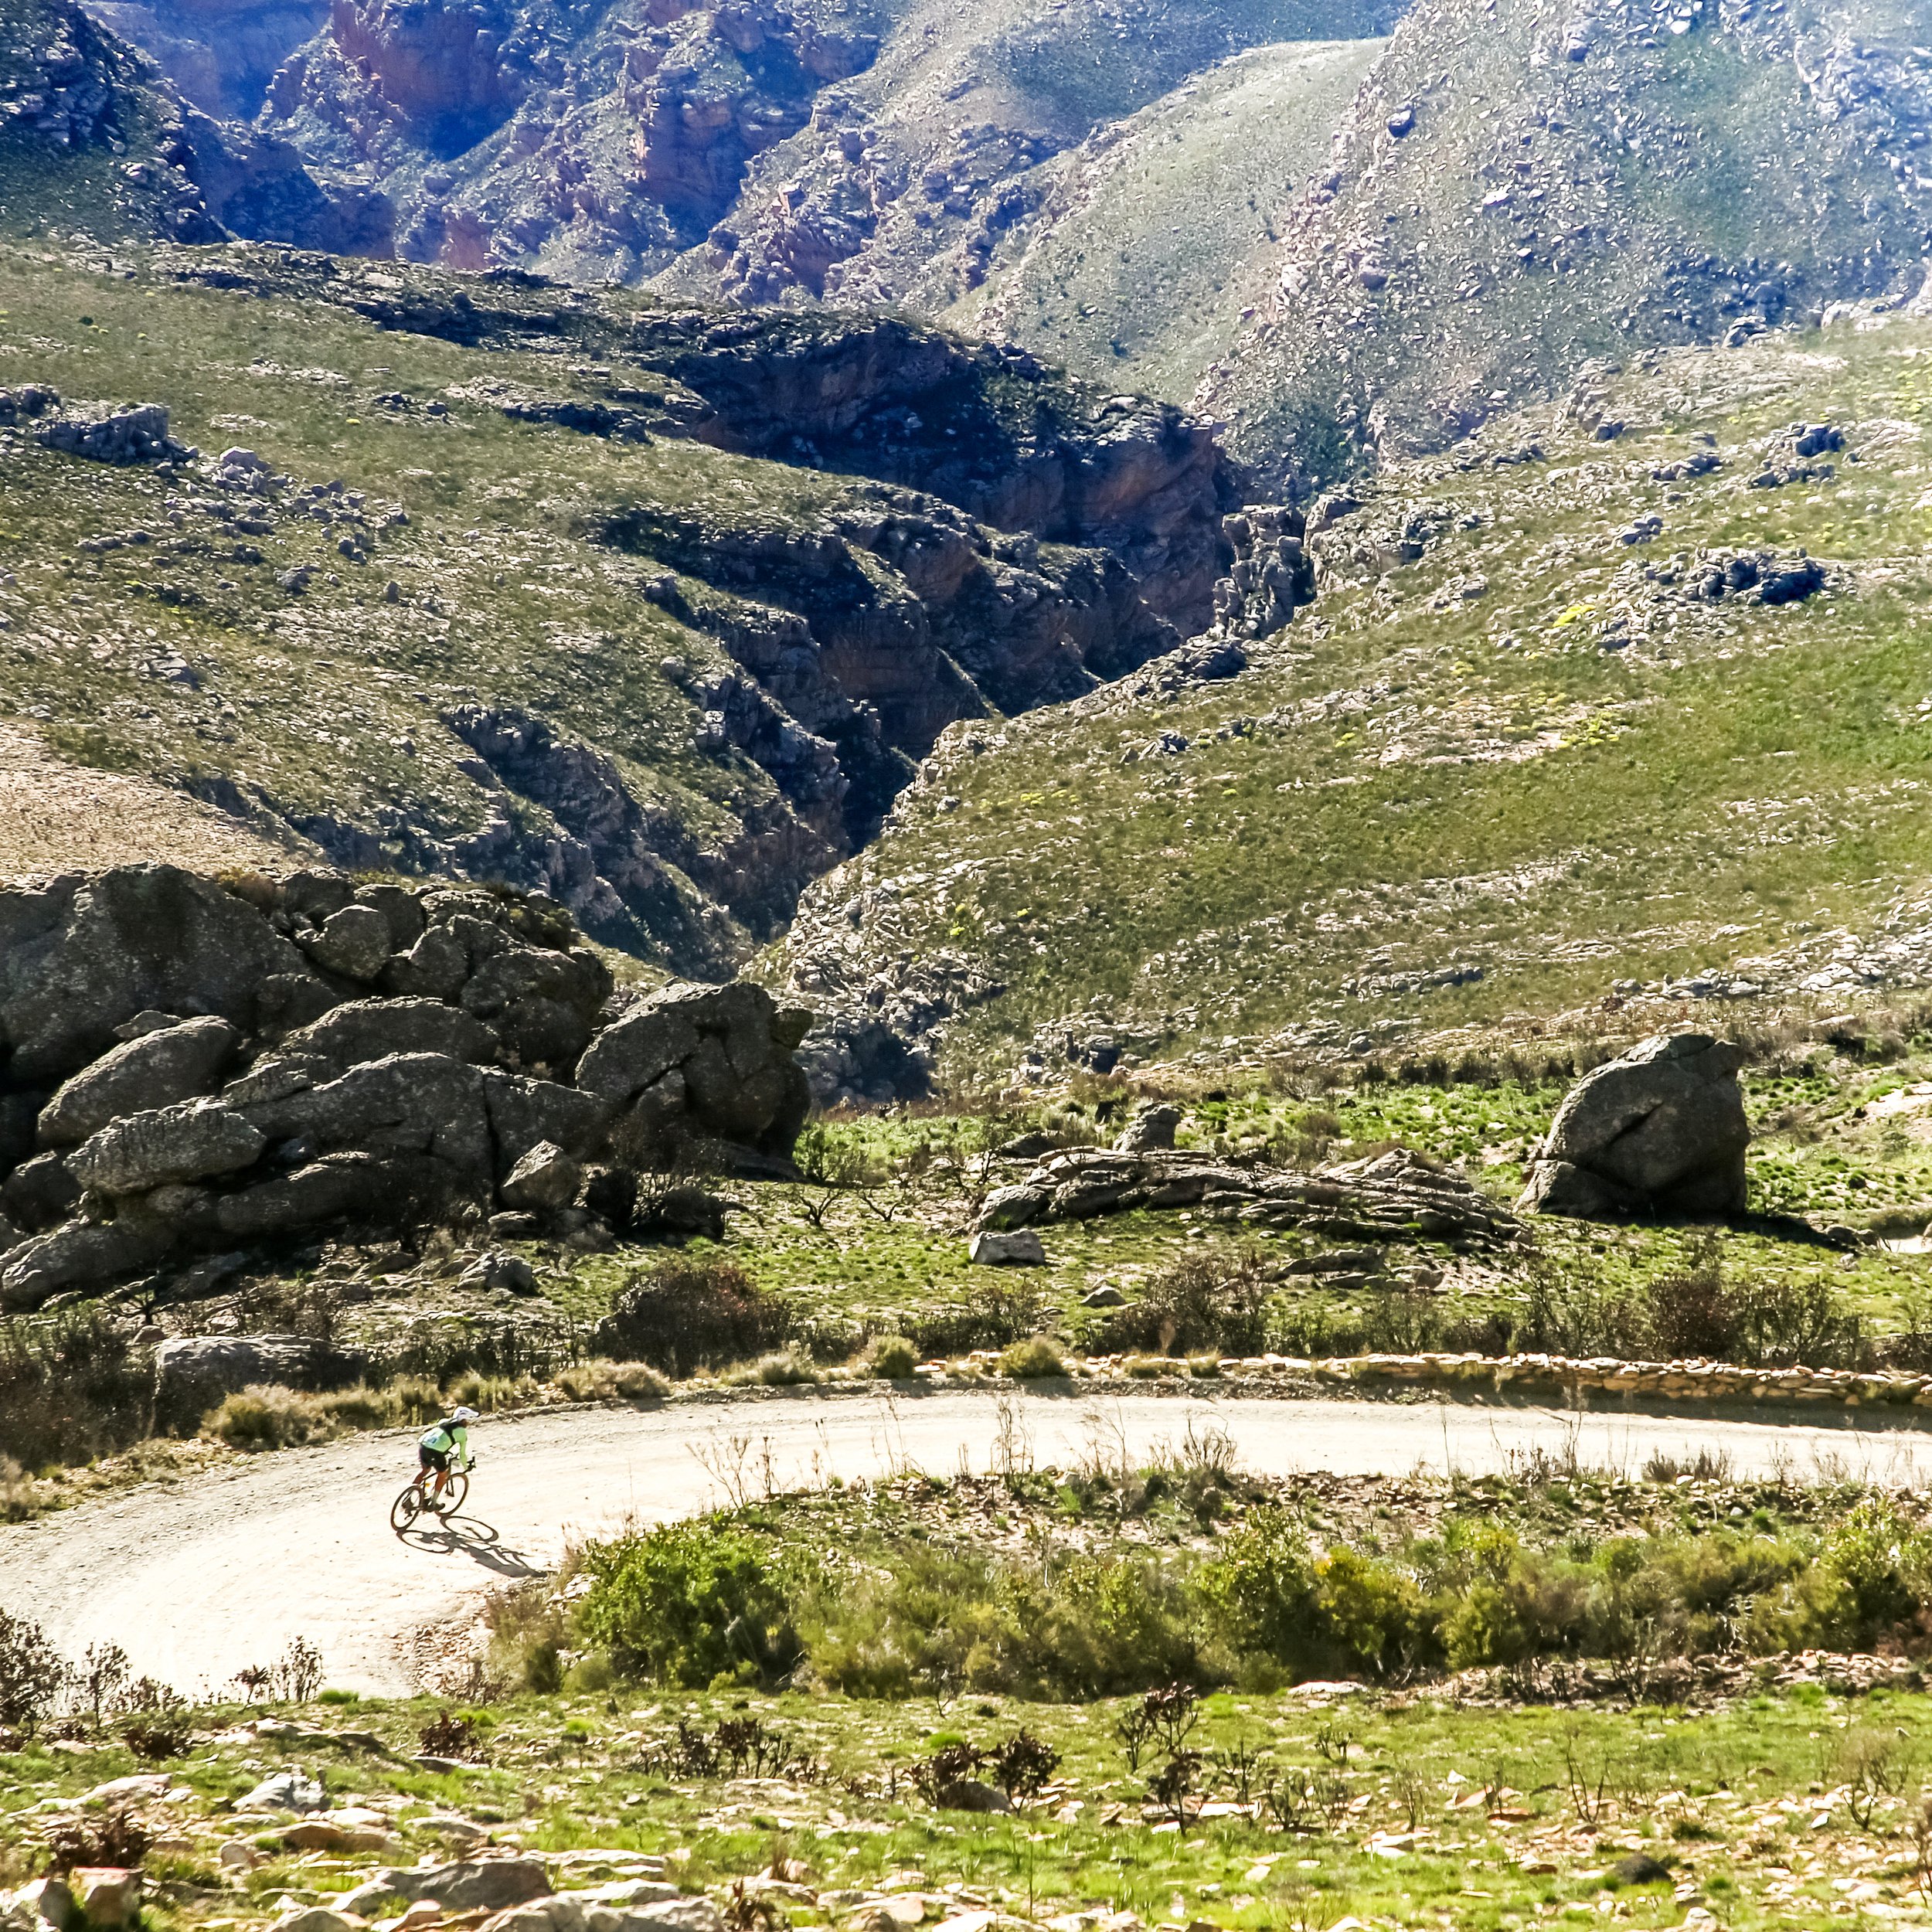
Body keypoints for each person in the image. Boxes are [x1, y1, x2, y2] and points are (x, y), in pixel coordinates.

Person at [418, 1406, 479, 1497]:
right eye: (468, 1421)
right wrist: (466, 1467)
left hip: (423, 1445)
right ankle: (434, 1502)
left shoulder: (444, 1421)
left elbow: (442, 1437)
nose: (468, 1424)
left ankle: (409, 1495)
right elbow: (462, 1455)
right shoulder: (462, 1432)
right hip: (435, 1451)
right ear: (463, 1420)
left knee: (425, 1471)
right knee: (443, 1475)